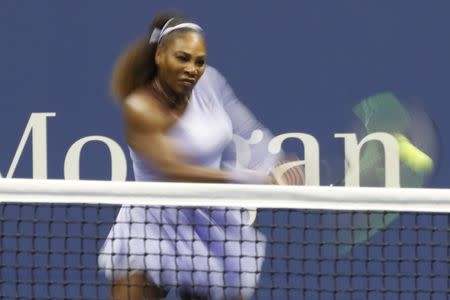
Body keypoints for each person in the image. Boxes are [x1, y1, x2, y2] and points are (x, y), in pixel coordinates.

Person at [98, 12, 302, 300]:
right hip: (152, 227)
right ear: (159, 55)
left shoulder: (210, 83)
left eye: (199, 61)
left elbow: (246, 126)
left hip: (211, 223)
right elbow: (171, 169)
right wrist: (253, 179)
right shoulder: (140, 106)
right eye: (182, 58)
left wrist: (275, 160)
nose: (192, 69)